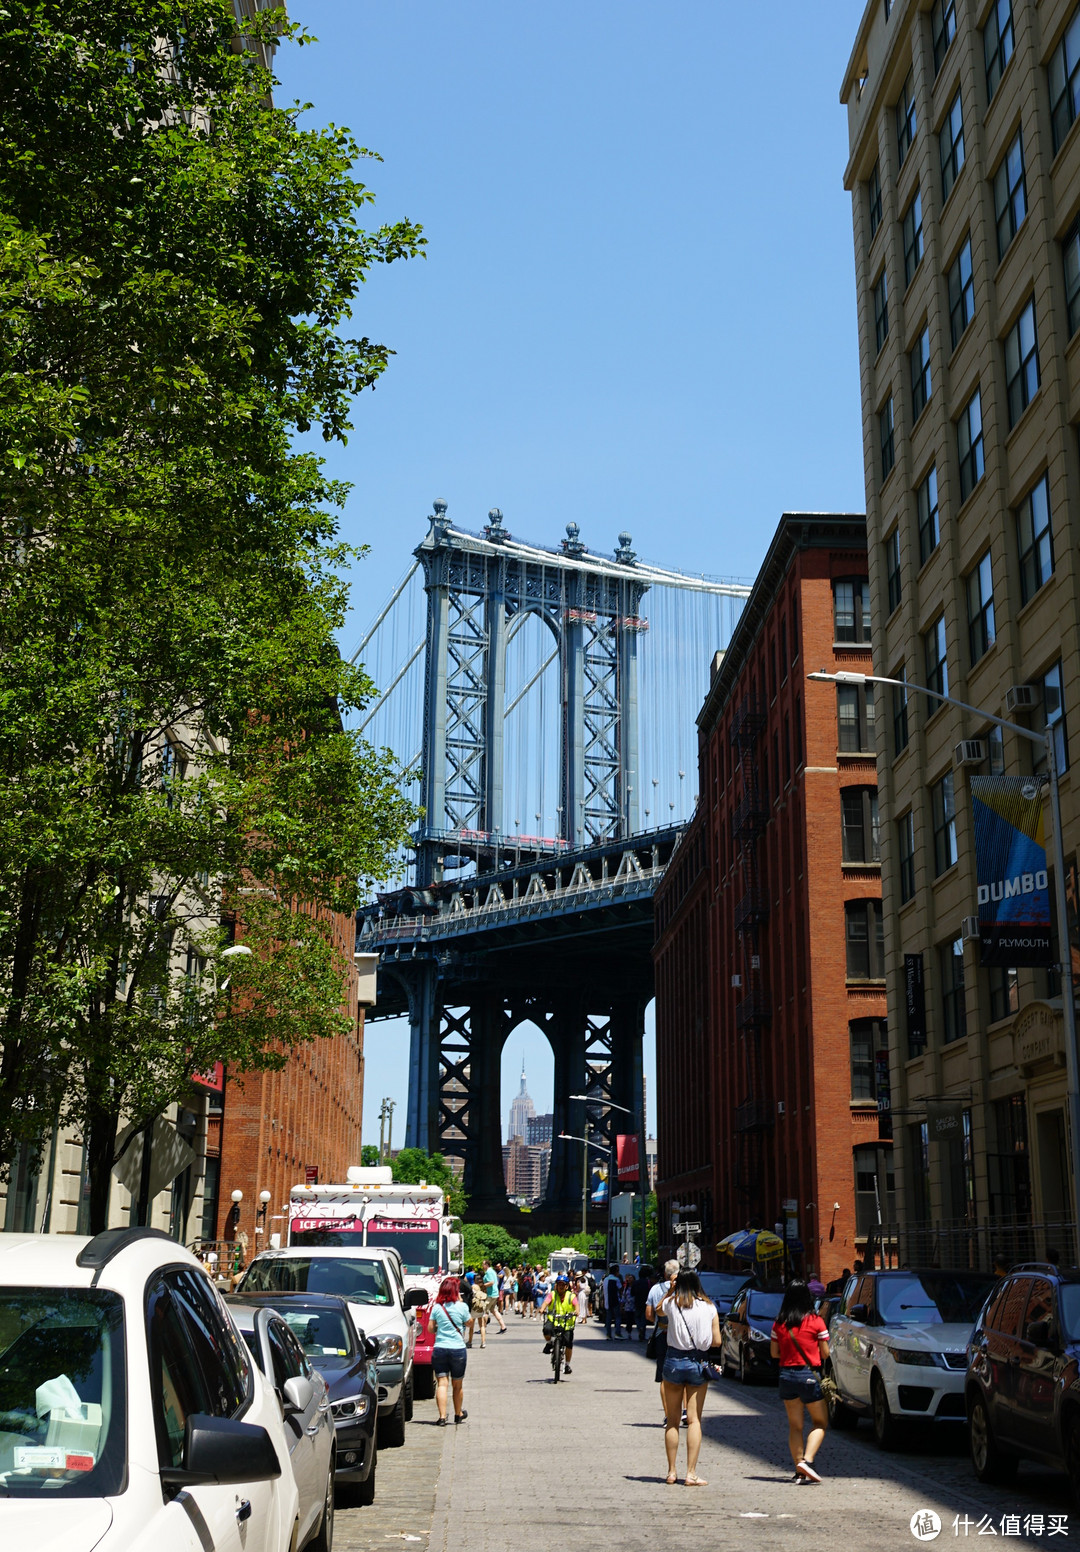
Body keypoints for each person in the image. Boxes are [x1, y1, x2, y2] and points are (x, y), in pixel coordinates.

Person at [660, 1269, 720, 1486]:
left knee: (672, 1421)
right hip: (697, 1362)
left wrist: (670, 1291)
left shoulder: (671, 1304)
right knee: (694, 1419)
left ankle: (671, 1472)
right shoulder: (709, 1307)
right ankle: (691, 1473)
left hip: (673, 1362)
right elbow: (717, 1341)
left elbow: (657, 1312)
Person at [770, 1279, 830, 1484]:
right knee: (820, 1422)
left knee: (795, 1426)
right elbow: (825, 1353)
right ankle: (808, 1460)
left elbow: (774, 1353)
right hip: (808, 1375)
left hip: (786, 1376)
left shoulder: (779, 1322)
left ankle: (798, 1470)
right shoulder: (816, 1321)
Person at [427, 1275, 470, 1425]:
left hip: (440, 1349)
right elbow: (469, 1323)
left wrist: (441, 1326)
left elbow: (430, 1329)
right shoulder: (462, 1307)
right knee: (457, 1385)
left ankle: (442, 1417)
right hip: (458, 1350)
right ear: (455, 1291)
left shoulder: (437, 1307)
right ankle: (458, 1415)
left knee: (442, 1383)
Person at [647, 1259, 679, 1412]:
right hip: (680, 1336)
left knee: (663, 1377)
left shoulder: (655, 1289)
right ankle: (685, 1411)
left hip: (661, 1333)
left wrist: (656, 1323)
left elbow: (649, 1314)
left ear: (665, 1274)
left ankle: (667, 1413)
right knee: (682, 1376)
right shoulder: (684, 1289)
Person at [540, 1272, 579, 1375]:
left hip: (567, 1323)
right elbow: (546, 1302)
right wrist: (542, 1309)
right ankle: (549, 1344)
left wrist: (576, 1312)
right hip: (554, 1320)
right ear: (556, 1285)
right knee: (546, 1330)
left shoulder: (571, 1296)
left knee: (568, 1343)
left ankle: (567, 1365)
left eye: (563, 1285)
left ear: (566, 1286)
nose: (561, 1287)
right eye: (559, 1284)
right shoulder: (552, 1294)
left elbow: (576, 1305)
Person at [481, 1258, 507, 1333]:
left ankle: (483, 1327)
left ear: (486, 1265)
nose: (482, 1266)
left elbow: (491, 1282)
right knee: (493, 1310)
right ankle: (503, 1326)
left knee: (484, 1311)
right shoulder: (493, 1271)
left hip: (491, 1294)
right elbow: (496, 1282)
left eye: (483, 1264)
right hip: (494, 1293)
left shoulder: (489, 1272)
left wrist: (483, 1285)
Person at [603, 1263, 624, 1339]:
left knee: (608, 1318)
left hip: (607, 1302)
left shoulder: (605, 1279)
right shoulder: (616, 1279)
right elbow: (621, 1289)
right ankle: (617, 1333)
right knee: (617, 1317)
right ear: (616, 1272)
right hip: (615, 1301)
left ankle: (608, 1334)